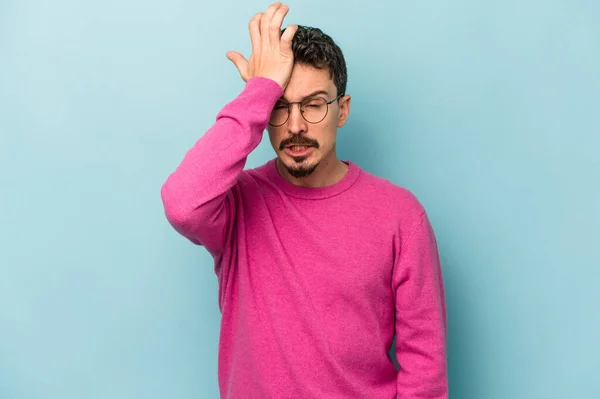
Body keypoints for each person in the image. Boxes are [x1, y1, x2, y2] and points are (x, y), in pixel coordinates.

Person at [161, 2, 448, 398]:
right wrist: (258, 92)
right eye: (280, 107)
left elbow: (425, 368)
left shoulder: (400, 216)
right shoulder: (236, 204)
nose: (295, 126)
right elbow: (182, 203)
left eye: (313, 105)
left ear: (341, 110)